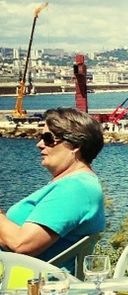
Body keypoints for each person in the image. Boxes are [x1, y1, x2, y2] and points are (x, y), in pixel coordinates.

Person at [0, 108, 105, 261]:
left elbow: (22, 244)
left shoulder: (76, 189)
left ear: (75, 145)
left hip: (34, 282)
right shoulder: (71, 184)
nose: (40, 144)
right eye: (41, 137)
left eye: (48, 138)